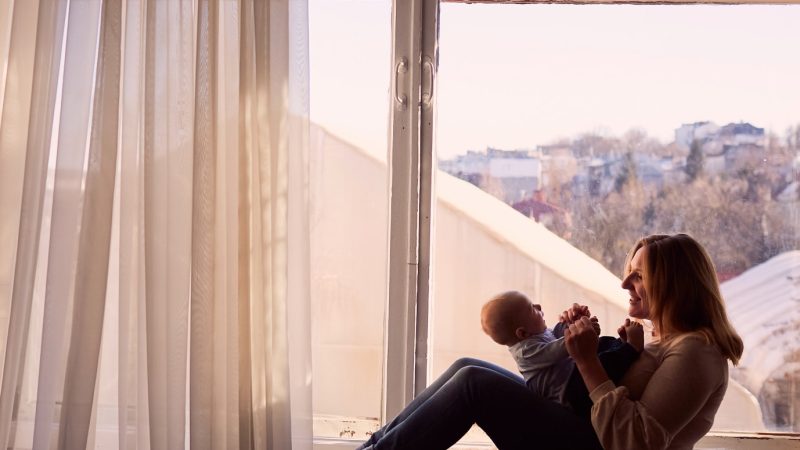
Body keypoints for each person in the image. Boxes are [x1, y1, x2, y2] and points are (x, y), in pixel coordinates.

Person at [357, 233, 743, 450]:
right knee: (467, 369)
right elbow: (606, 391)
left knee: (475, 385)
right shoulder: (664, 339)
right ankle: (374, 447)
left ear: (673, 284)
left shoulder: (697, 351)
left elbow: (636, 443)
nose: (625, 284)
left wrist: (588, 362)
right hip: (581, 432)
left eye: (638, 277)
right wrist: (579, 341)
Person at [480, 290, 643, 418]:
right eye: (532, 309)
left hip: (572, 377)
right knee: (604, 362)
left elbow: (555, 334)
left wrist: (572, 321)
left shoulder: (534, 335)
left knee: (602, 343)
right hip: (570, 394)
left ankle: (621, 345)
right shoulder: (525, 353)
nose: (539, 307)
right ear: (522, 333)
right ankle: (631, 348)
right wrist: (581, 332)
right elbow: (560, 348)